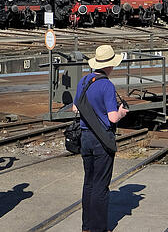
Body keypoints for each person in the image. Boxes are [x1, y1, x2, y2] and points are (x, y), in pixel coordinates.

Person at [73, 44, 129, 232]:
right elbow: (112, 118)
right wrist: (121, 112)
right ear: (110, 65)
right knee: (101, 185)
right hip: (101, 140)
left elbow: (75, 107)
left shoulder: (84, 81)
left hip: (85, 137)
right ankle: (99, 228)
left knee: (88, 182)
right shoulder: (107, 85)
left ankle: (86, 226)